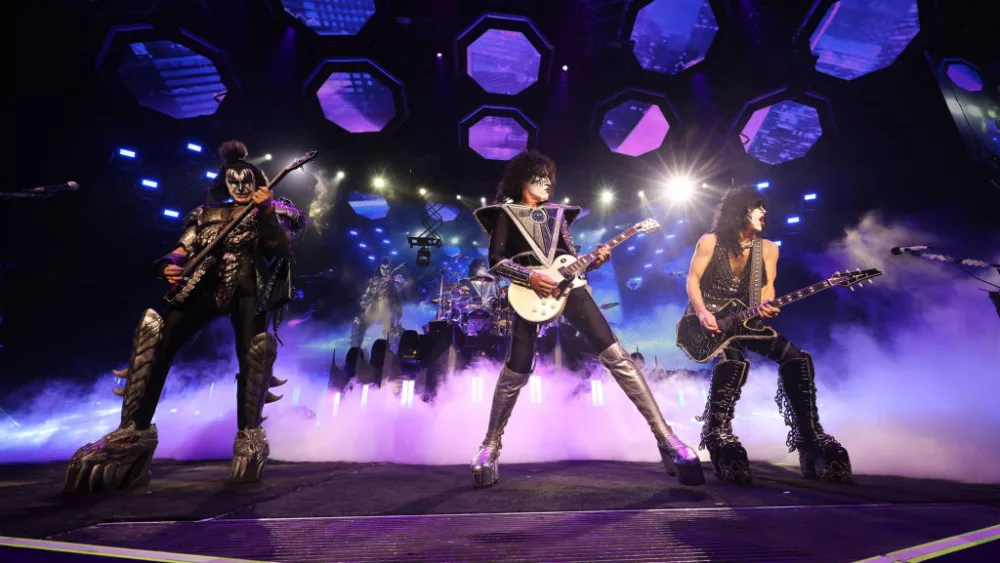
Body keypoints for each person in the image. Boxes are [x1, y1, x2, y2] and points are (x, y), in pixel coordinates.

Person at [63, 141, 305, 493]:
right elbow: (181, 249)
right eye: (234, 181)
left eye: (247, 180)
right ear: (225, 183)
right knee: (154, 333)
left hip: (247, 289)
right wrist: (167, 267)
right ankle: (134, 433)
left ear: (257, 182)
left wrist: (266, 211)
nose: (240, 186)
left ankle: (249, 434)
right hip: (202, 287)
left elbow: (279, 249)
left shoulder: (271, 210)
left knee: (254, 351)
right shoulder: (205, 215)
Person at [470, 150, 704, 488]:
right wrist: (529, 278)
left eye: (551, 177)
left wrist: (593, 261)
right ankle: (490, 445)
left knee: (618, 357)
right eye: (540, 177)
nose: (548, 182)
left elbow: (569, 255)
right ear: (523, 181)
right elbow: (495, 261)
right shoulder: (505, 214)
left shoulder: (559, 214)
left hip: (571, 287)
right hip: (529, 294)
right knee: (517, 367)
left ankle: (666, 438)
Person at [686, 187, 851, 484]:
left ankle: (808, 436)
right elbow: (693, 279)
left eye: (765, 209)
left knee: (795, 358)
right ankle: (717, 432)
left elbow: (766, 291)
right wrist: (701, 312)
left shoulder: (770, 249)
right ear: (740, 211)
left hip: (744, 321)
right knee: (731, 358)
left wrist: (767, 307)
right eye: (758, 208)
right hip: (708, 322)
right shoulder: (710, 242)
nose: (765, 213)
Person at [351, 258, 406, 351]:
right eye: (382, 268)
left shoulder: (397, 278)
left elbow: (401, 287)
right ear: (379, 269)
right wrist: (363, 300)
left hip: (389, 309)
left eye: (387, 268)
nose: (385, 270)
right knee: (358, 322)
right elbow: (366, 293)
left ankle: (391, 353)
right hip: (375, 308)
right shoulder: (374, 280)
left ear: (390, 267)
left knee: (389, 332)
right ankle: (355, 351)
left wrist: (391, 281)